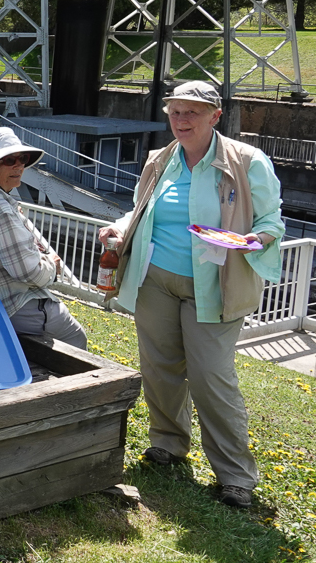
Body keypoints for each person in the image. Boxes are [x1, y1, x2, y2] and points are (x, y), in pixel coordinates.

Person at [97, 80, 284, 509]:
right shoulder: (161, 160)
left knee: (211, 378)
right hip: (156, 279)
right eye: (175, 112)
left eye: (192, 113)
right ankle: (167, 443)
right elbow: (142, 211)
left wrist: (254, 238)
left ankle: (236, 475)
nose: (181, 121)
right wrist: (120, 227)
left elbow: (274, 221)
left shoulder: (247, 161)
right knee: (160, 368)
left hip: (214, 285)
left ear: (215, 116)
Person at [0, 127, 87, 350]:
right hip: (10, 304)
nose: (19, 165)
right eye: (8, 160)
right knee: (76, 337)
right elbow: (29, 272)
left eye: (22, 158)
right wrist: (54, 266)